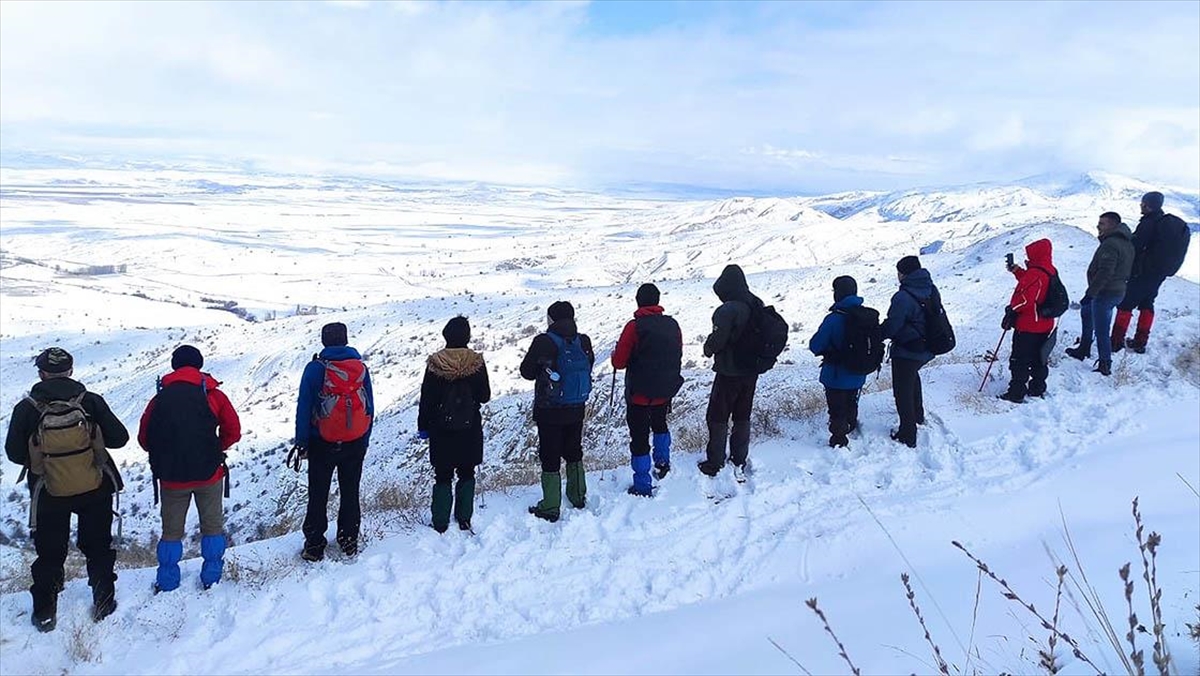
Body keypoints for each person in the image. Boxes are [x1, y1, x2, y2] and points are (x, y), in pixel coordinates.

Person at [4, 348, 129, 632]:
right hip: (94, 486)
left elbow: (12, 453)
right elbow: (120, 438)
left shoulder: (27, 409)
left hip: (48, 490)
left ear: (41, 373)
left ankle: (45, 612)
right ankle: (104, 602)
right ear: (71, 371)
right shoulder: (90, 402)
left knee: (50, 552)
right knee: (97, 546)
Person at [138, 345, 241, 592]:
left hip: (172, 478)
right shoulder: (213, 395)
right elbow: (234, 431)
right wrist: (217, 449)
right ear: (199, 365)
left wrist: (165, 455)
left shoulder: (160, 397)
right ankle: (212, 578)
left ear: (174, 366)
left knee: (171, 532)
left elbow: (144, 437)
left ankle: (167, 581)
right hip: (209, 474)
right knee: (212, 527)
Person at [292, 322, 374, 561]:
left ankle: (314, 545)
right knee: (350, 491)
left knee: (318, 494)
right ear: (346, 340)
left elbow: (304, 407)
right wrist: (364, 438)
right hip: (355, 441)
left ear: (324, 341)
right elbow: (369, 406)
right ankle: (349, 541)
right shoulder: (360, 368)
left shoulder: (314, 369)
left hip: (322, 442)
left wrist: (302, 442)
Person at [520, 301, 595, 522]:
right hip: (577, 405)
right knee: (574, 450)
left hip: (549, 408)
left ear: (551, 319)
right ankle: (578, 495)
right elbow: (589, 364)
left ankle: (551, 506)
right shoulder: (583, 340)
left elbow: (526, 372)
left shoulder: (544, 341)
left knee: (550, 454)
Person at [417, 317, 491, 532]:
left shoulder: (435, 363)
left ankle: (440, 521)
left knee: (442, 474)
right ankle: (464, 518)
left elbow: (427, 399)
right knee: (467, 472)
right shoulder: (476, 362)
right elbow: (484, 396)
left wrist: (423, 427)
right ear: (467, 336)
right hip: (470, 426)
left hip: (441, 428)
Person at [611, 283, 684, 495]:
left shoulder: (634, 327)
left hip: (639, 393)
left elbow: (619, 362)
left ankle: (643, 484)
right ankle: (663, 463)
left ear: (638, 301)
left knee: (640, 436)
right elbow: (677, 353)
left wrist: (614, 355)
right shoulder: (673, 325)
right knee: (661, 424)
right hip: (665, 389)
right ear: (658, 301)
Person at [698, 264, 764, 479]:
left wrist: (708, 348)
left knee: (717, 416)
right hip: (751, 370)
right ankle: (739, 457)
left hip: (729, 370)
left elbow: (718, 341)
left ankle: (715, 461)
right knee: (742, 414)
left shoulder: (727, 310)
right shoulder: (756, 303)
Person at [1112, 191, 1190, 354]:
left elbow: (1135, 246)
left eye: (1143, 203)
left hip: (1142, 271)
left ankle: (1116, 341)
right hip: (1159, 273)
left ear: (1148, 205)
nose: (1141, 205)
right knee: (1147, 303)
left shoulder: (1148, 223)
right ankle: (1140, 341)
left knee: (1126, 303)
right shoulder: (1163, 223)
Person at [1065, 212, 1135, 376]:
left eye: (1102, 223)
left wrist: (1091, 293)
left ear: (1113, 225)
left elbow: (1105, 272)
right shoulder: (1126, 242)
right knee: (1086, 312)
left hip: (1105, 292)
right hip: (1116, 289)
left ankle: (1105, 363)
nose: (1098, 226)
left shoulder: (1111, 244)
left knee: (1102, 329)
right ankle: (1084, 348)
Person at [881, 256, 939, 448]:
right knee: (912, 378)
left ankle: (907, 434)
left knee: (902, 391)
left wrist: (876, 334)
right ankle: (918, 416)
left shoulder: (903, 296)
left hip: (908, 348)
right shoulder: (931, 288)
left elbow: (893, 326)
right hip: (928, 345)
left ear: (903, 274)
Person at [808, 276, 869, 447]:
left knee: (837, 408)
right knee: (851, 401)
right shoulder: (865, 315)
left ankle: (838, 440)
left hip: (836, 374)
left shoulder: (834, 319)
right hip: (859, 372)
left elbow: (815, 345)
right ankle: (851, 423)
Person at [999, 239, 1058, 402]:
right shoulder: (1049, 269)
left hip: (1029, 325)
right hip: (1045, 323)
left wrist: (1012, 308)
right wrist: (1018, 271)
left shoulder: (1035, 273)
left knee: (1020, 360)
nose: (1028, 257)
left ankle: (1016, 393)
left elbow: (1025, 299)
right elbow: (1034, 285)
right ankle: (1037, 388)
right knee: (1039, 358)